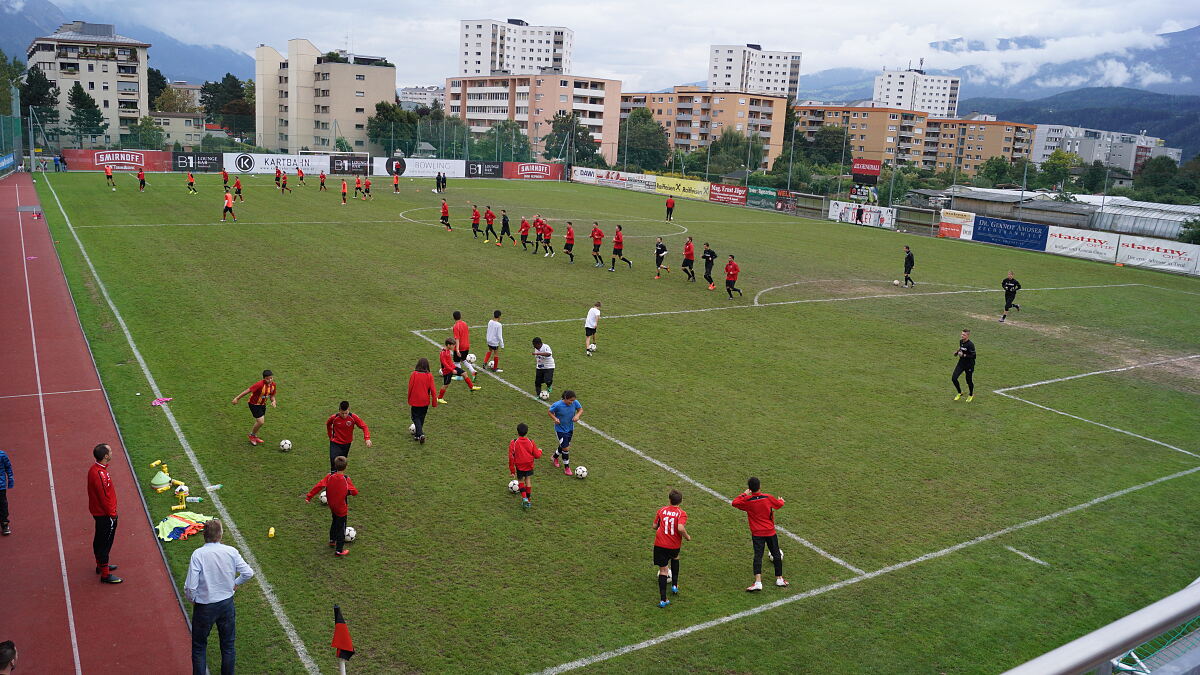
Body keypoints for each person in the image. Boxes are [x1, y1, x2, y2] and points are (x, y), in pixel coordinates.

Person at [184, 518, 253, 675]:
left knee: (199, 647)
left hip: (205, 607)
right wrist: (235, 583)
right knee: (228, 645)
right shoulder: (231, 551)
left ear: (204, 535)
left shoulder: (198, 555)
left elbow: (190, 587)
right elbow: (248, 573)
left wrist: (192, 600)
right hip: (226, 605)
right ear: (220, 534)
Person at [731, 476, 788, 591]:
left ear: (750, 489)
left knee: (758, 556)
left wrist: (744, 494)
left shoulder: (747, 501)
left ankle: (758, 582)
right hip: (770, 531)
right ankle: (779, 579)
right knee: (776, 553)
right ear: (760, 486)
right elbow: (779, 504)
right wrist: (781, 500)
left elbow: (734, 503)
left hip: (757, 533)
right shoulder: (767, 497)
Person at [305, 455, 357, 556]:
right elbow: (355, 492)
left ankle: (332, 540)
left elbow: (318, 486)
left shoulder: (329, 477)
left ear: (335, 465)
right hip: (341, 508)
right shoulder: (346, 479)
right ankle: (339, 550)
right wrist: (347, 492)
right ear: (346, 467)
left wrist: (309, 497)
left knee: (334, 522)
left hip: (332, 505)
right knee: (341, 527)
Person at [87, 443, 121, 584]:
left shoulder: (96, 470)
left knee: (100, 539)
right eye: (110, 451)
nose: (112, 452)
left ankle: (101, 566)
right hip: (105, 515)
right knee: (105, 543)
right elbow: (104, 497)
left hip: (101, 513)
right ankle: (105, 575)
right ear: (106, 456)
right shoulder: (100, 474)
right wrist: (112, 514)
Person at [653, 489, 691, 607]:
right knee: (675, 558)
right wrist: (687, 536)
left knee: (663, 570)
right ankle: (674, 585)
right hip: (673, 545)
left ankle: (663, 600)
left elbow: (654, 526)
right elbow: (680, 528)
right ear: (681, 501)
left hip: (659, 544)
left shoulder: (661, 510)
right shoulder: (681, 513)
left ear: (669, 500)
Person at [231, 369, 277, 446]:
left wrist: (273, 401)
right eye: (268, 378)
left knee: (260, 422)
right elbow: (247, 390)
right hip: (254, 404)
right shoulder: (259, 384)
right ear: (264, 378)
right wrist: (237, 398)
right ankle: (252, 436)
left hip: (263, 405)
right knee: (261, 421)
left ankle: (254, 436)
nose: (270, 380)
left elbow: (272, 395)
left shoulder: (273, 385)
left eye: (271, 378)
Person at [326, 401, 371, 472]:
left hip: (346, 444)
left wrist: (367, 438)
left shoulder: (353, 417)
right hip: (335, 443)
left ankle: (340, 479)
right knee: (333, 462)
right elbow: (328, 424)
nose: (344, 415)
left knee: (341, 464)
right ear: (339, 410)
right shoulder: (334, 418)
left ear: (349, 409)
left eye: (346, 413)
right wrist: (330, 436)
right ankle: (333, 478)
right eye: (342, 413)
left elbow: (364, 426)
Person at [508, 423, 543, 508]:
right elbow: (537, 455)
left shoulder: (514, 442)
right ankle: (528, 499)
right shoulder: (531, 442)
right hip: (529, 464)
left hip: (519, 465)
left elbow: (511, 457)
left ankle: (524, 499)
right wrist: (540, 451)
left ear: (517, 432)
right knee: (528, 479)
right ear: (527, 432)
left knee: (520, 480)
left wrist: (512, 470)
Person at [547, 390, 582, 476]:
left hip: (570, 428)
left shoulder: (575, 402)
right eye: (570, 400)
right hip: (560, 429)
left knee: (564, 445)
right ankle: (567, 468)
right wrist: (555, 419)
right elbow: (550, 412)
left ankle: (554, 457)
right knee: (566, 448)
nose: (572, 402)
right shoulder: (558, 405)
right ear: (565, 398)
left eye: (573, 400)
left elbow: (580, 409)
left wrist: (577, 415)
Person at [407, 357, 438, 443]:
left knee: (415, 417)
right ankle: (417, 435)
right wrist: (434, 402)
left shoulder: (414, 374)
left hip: (415, 399)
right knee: (421, 417)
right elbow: (433, 390)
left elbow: (410, 387)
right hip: (425, 400)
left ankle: (420, 434)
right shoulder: (429, 375)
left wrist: (409, 398)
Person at [451, 310, 478, 379]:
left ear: (453, 318)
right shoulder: (465, 324)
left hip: (460, 347)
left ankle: (459, 376)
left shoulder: (456, 326)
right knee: (464, 360)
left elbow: (457, 339)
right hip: (467, 345)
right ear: (460, 316)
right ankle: (473, 371)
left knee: (456, 362)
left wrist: (457, 349)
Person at [952, 328, 976, 402]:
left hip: (969, 365)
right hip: (961, 363)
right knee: (954, 378)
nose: (962, 336)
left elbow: (974, 356)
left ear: (968, 336)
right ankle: (960, 392)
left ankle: (971, 394)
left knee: (968, 381)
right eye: (962, 334)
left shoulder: (971, 345)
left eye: (964, 335)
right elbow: (961, 348)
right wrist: (957, 352)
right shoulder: (961, 341)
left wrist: (964, 355)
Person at [0, 449, 12, 535]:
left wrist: (11, 480)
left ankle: (4, 524)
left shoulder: (2, 455)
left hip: (0, 486)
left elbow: (8, 467)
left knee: (3, 504)